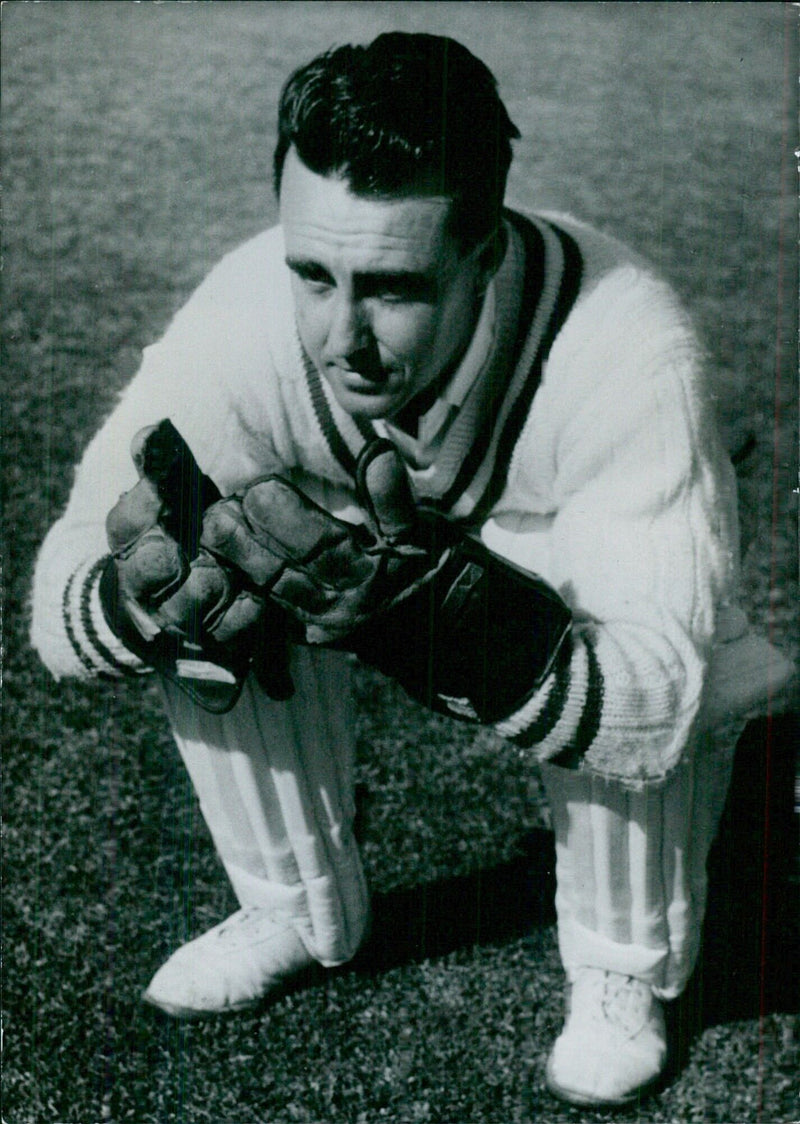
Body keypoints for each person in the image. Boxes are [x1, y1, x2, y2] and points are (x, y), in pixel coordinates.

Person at [29, 32, 794, 1108]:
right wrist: (139, 595)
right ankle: (291, 902)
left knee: (664, 649)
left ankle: (619, 964)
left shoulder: (625, 341)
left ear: (483, 254)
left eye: (391, 287)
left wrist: (469, 630)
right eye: (312, 273)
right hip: (362, 526)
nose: (341, 336)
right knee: (218, 552)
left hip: (561, 559)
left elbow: (659, 690)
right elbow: (59, 599)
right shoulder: (246, 306)